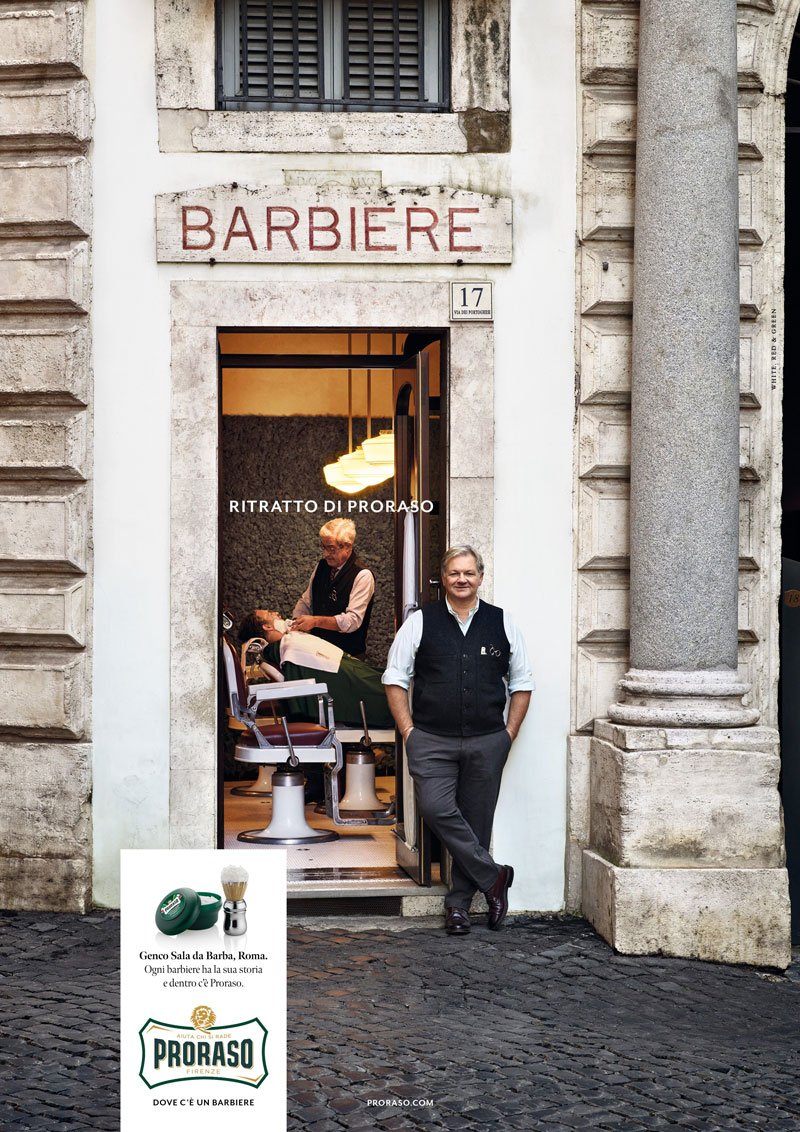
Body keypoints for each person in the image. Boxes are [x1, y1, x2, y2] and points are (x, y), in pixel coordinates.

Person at [382, 545, 533, 936]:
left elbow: (522, 683)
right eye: (454, 573)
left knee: (477, 822)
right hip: (431, 739)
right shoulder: (420, 621)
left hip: (487, 741)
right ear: (443, 578)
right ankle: (494, 876)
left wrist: (509, 734)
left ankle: (458, 907)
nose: (462, 579)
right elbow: (394, 678)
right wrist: (409, 732)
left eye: (469, 573)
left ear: (480, 577)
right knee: (435, 808)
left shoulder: (502, 622)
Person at [291, 518, 375, 659]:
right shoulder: (322, 566)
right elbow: (306, 601)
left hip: (347, 657)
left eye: (331, 548)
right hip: (318, 651)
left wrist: (315, 621)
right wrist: (295, 623)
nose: (325, 554)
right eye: (323, 547)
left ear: (347, 547)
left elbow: (352, 621)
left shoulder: (362, 575)